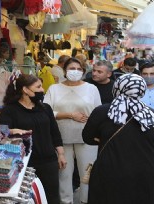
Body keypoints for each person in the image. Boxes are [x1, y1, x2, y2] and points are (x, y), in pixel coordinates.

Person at [82, 74, 154, 204]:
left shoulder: (103, 111)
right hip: (146, 170)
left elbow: (88, 137)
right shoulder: (150, 113)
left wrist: (103, 139)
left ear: (117, 88)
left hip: (111, 169)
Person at [0, 74, 66, 204]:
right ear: (25, 90)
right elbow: (2, 131)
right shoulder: (10, 110)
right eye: (38, 87)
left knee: (52, 197)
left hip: (48, 160)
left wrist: (61, 154)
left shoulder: (45, 108)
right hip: (24, 162)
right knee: (26, 199)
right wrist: (14, 131)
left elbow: (54, 132)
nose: (42, 90)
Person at [44, 57, 101, 204]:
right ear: (64, 70)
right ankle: (65, 201)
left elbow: (98, 113)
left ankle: (86, 200)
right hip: (61, 137)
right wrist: (70, 115)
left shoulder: (92, 88)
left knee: (87, 172)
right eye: (71, 68)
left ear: (83, 71)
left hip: (87, 136)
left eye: (79, 69)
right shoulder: (54, 89)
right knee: (64, 172)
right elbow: (47, 112)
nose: (75, 71)